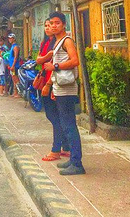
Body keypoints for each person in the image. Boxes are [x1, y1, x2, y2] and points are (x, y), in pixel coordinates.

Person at [42, 11, 85, 175]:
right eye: (51, 23)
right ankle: (73, 160)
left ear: (64, 25)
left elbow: (75, 61)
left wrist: (56, 67)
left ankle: (77, 164)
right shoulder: (57, 42)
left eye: (57, 23)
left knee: (69, 126)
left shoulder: (67, 41)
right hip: (60, 88)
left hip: (67, 89)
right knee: (66, 125)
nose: (53, 26)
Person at [36, 18, 70, 161]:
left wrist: (48, 84)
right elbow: (39, 60)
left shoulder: (62, 43)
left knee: (56, 117)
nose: (49, 27)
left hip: (54, 82)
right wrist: (46, 57)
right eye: (47, 25)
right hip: (47, 80)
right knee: (53, 116)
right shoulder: (47, 43)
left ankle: (57, 149)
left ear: (63, 25)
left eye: (52, 25)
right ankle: (65, 146)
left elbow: (56, 64)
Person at [8, 33, 21, 98]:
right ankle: (15, 92)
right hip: (11, 66)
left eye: (11, 38)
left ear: (14, 39)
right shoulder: (12, 46)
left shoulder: (15, 47)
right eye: (9, 38)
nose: (9, 39)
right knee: (13, 79)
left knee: (16, 80)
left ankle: (19, 92)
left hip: (15, 66)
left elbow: (16, 57)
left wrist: (13, 65)